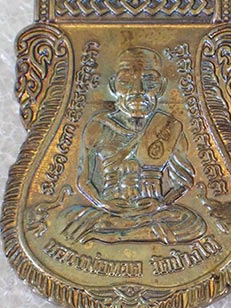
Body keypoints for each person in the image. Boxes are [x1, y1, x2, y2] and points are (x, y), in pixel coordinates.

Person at [62, 47, 206, 245]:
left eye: (149, 80)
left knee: (192, 222)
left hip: (152, 211)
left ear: (162, 87)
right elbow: (83, 179)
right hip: (111, 208)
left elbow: (182, 182)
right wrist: (103, 203)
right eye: (126, 80)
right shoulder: (100, 126)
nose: (138, 89)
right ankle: (130, 230)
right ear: (113, 85)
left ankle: (113, 234)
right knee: (70, 217)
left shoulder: (167, 127)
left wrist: (160, 203)